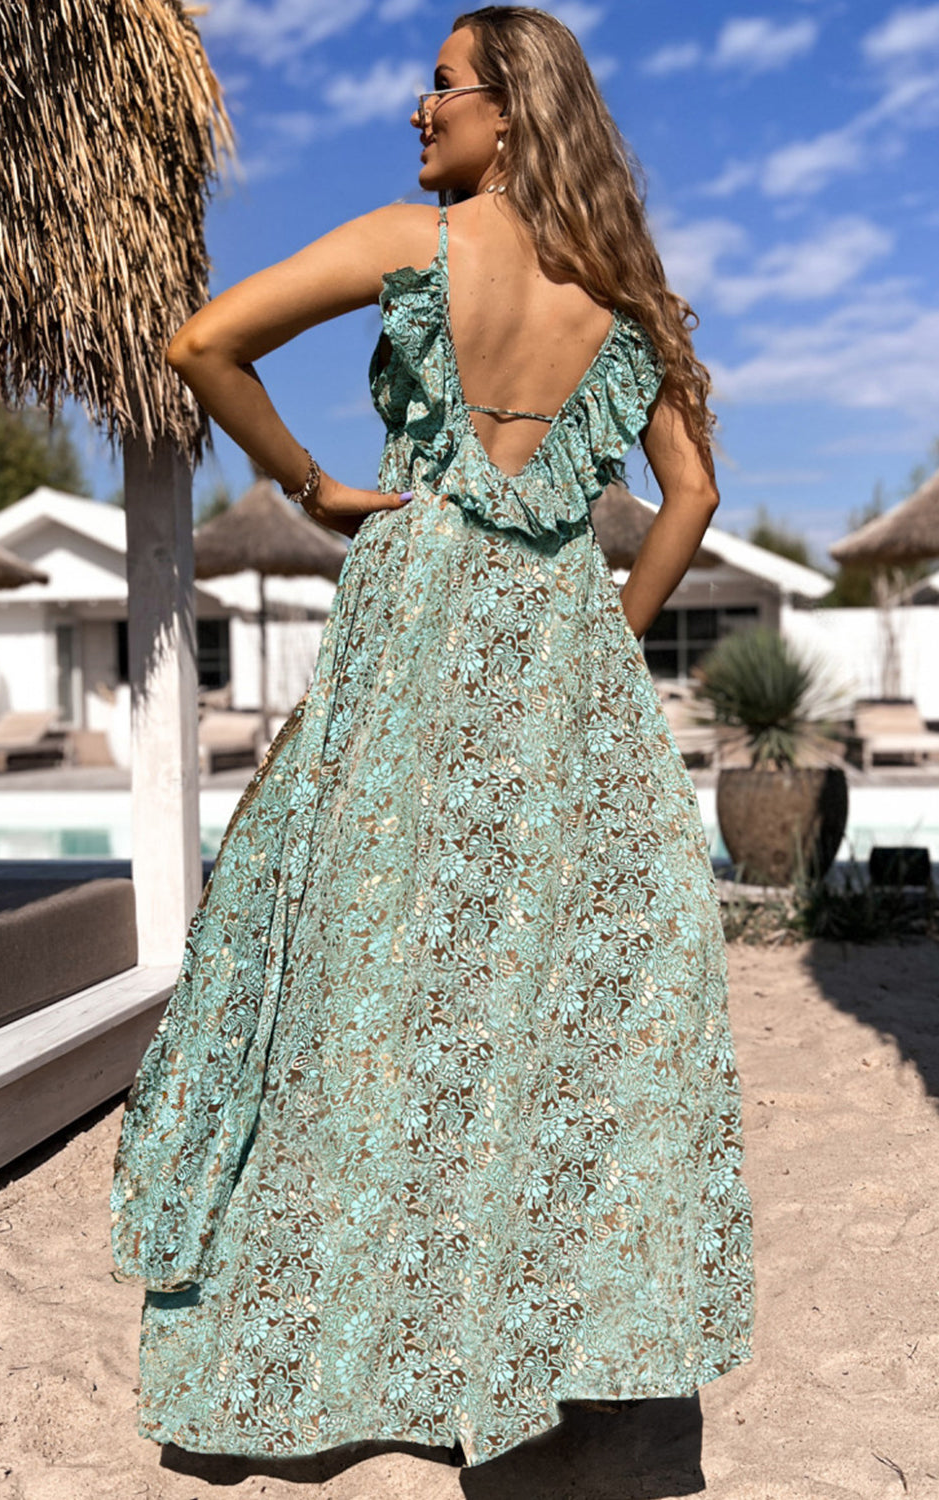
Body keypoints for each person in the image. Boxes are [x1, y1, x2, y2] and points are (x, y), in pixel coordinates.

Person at [111, 4, 754, 1471]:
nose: (419, 107)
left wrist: (314, 487)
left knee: (356, 975)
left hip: (413, 631)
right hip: (560, 656)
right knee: (528, 1000)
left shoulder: (415, 245)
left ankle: (331, 1338)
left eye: (444, 85)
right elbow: (695, 498)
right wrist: (605, 628)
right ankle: (524, 1338)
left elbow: (203, 343)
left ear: (510, 111)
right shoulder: (627, 296)